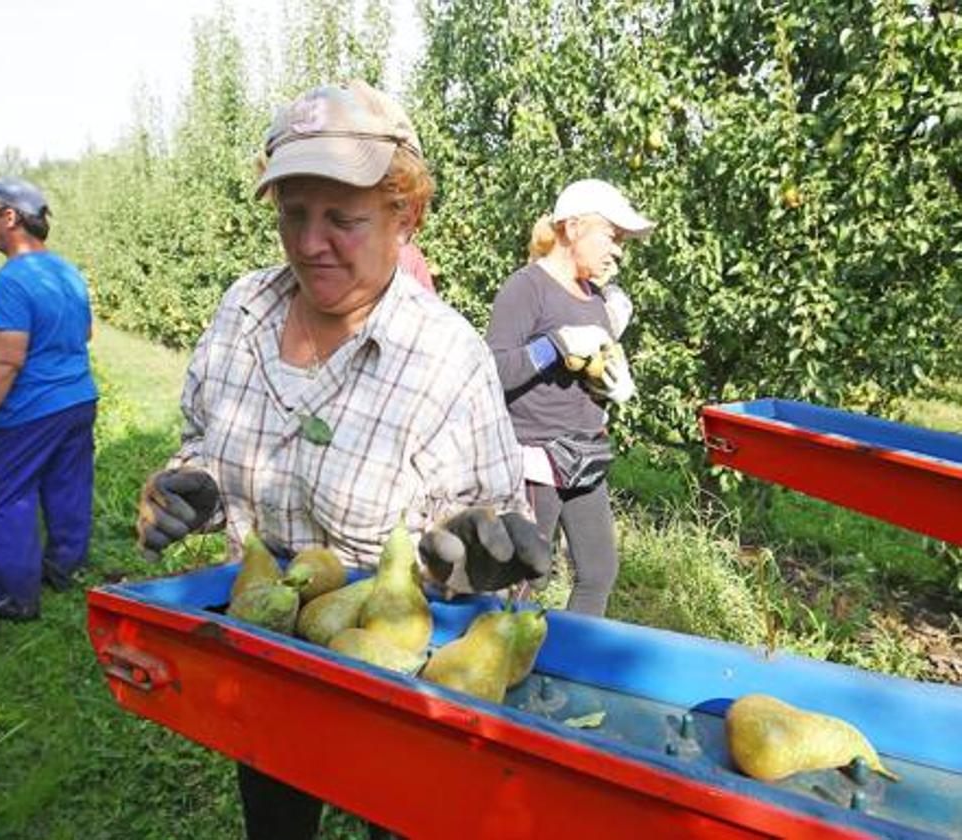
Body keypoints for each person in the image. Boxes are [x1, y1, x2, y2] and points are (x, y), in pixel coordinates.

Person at [134, 80, 551, 840]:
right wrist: (183, 488)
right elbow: (203, 442)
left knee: (400, 816)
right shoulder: (243, 314)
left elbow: (490, 521)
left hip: (392, 686)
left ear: (406, 215)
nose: (309, 242)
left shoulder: (443, 357)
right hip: (265, 656)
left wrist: (481, 554)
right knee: (275, 815)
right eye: (293, 214)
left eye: (343, 219)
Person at [485, 178, 654, 617]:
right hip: (537, 458)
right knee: (526, 576)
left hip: (584, 452)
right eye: (612, 237)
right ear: (574, 227)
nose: (618, 251)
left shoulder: (595, 296)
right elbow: (492, 372)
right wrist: (553, 345)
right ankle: (498, 667)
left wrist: (611, 383)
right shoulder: (527, 288)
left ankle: (573, 665)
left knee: (599, 572)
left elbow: (589, 367)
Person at [0, 176, 99, 623]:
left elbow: (4, 361)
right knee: (66, 483)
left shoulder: (10, 282)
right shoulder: (66, 272)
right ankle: (64, 567)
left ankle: (14, 597)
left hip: (26, 410)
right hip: (77, 399)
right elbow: (86, 334)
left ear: (10, 216)